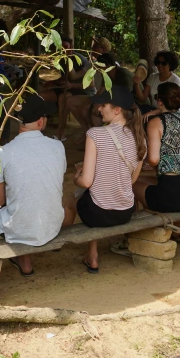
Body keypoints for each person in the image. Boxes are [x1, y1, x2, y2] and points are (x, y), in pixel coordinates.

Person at [0, 93, 66, 275]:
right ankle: (24, 262)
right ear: (41, 122)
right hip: (52, 226)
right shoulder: (58, 147)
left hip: (20, 228)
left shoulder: (3, 152)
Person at [61, 85, 145, 273]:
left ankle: (57, 242)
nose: (99, 109)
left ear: (117, 110)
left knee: (73, 199)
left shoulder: (95, 134)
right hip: (125, 212)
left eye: (103, 105)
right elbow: (130, 181)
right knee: (95, 195)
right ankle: (92, 255)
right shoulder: (140, 137)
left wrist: (76, 178)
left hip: (98, 213)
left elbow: (86, 182)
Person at [134, 82, 180, 220]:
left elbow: (154, 159)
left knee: (133, 184)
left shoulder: (155, 123)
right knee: (156, 180)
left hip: (172, 197)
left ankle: (136, 230)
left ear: (159, 101)